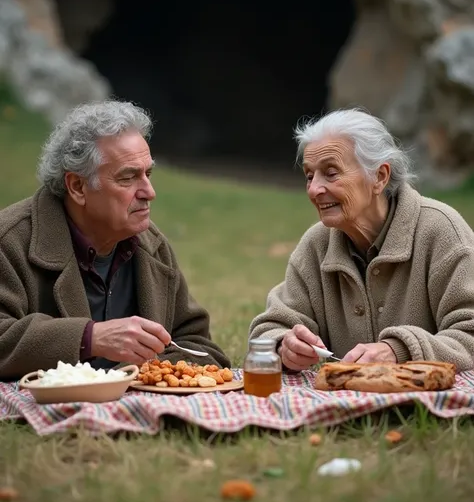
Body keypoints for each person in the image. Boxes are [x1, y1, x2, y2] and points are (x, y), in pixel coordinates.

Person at [0, 100, 230, 380]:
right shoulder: (10, 241)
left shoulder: (151, 245)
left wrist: (143, 374)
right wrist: (89, 338)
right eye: (128, 178)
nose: (149, 191)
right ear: (77, 186)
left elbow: (198, 345)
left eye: (148, 174)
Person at [249, 108, 474, 372]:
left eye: (331, 173)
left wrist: (398, 351)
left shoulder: (441, 231)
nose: (314, 189)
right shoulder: (316, 244)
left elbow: (469, 333)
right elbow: (269, 329)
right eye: (309, 176)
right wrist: (283, 345)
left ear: (379, 177)